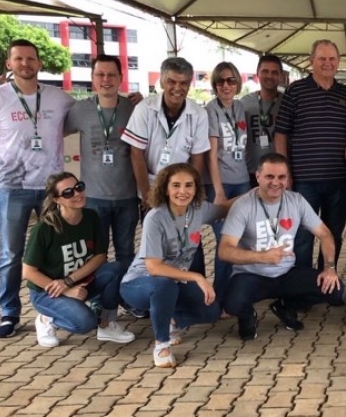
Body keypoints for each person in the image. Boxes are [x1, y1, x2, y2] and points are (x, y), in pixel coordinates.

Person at [0, 39, 76, 338]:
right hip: (12, 188)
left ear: (40, 63)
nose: (25, 64)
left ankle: (55, 309)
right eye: (19, 59)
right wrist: (2, 161)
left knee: (56, 250)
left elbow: (82, 117)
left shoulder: (58, 98)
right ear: (9, 64)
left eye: (30, 59)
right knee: (11, 253)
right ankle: (9, 313)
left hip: (52, 189)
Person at [219, 154, 344, 340]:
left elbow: (325, 234)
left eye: (281, 177)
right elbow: (224, 250)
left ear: (288, 178)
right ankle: (247, 316)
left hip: (286, 273)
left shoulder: (296, 200)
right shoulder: (243, 205)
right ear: (258, 176)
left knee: (334, 289)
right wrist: (262, 257)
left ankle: (285, 306)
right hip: (252, 275)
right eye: (269, 176)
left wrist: (330, 268)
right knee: (232, 304)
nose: (276, 182)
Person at [120, 164, 227, 367]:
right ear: (166, 188)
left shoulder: (198, 210)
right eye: (176, 185)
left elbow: (226, 208)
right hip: (139, 284)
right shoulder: (155, 217)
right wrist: (197, 277)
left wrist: (258, 192)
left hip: (174, 283)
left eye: (189, 185)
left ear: (196, 188)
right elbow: (154, 268)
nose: (183, 191)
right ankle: (161, 345)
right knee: (164, 285)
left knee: (211, 311)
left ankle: (172, 319)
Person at [275, 40, 346, 272]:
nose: (328, 63)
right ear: (311, 61)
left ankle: (327, 278)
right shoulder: (295, 91)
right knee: (302, 235)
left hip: (339, 181)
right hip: (304, 180)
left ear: (338, 62)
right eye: (322, 58)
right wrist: (284, 173)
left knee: (333, 234)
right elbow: (281, 133)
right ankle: (303, 285)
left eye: (332, 59)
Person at [22, 172, 136, 347]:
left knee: (116, 268)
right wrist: (65, 290)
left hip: (78, 283)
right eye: (68, 192)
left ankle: (106, 324)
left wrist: (69, 281)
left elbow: (100, 256)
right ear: (57, 199)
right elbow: (28, 272)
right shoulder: (44, 228)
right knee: (85, 322)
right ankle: (47, 319)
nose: (77, 194)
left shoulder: (91, 216)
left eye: (79, 187)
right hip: (47, 292)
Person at [65, 54, 138, 278]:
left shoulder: (134, 108)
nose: (106, 79)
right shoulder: (79, 109)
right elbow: (56, 135)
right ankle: (100, 295)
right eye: (100, 74)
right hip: (93, 198)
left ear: (120, 78)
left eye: (111, 75)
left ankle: (126, 293)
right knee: (96, 255)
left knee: (126, 252)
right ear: (93, 78)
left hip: (128, 197)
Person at [122, 57, 209, 205]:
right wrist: (147, 196)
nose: (177, 88)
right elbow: (136, 154)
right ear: (162, 82)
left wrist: (192, 193)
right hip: (150, 185)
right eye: (171, 82)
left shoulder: (199, 114)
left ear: (189, 85)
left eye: (183, 83)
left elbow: (197, 158)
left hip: (182, 191)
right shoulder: (144, 108)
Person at [203, 61, 252, 303]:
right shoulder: (210, 110)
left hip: (242, 181)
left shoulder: (241, 107)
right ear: (214, 84)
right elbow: (211, 155)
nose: (226, 85)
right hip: (220, 184)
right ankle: (219, 297)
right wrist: (218, 191)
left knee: (243, 240)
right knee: (226, 240)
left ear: (237, 83)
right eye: (220, 81)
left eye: (231, 80)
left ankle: (237, 293)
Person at [240, 55, 283, 186]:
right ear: (257, 73)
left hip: (278, 174)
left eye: (274, 72)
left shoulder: (287, 103)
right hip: (251, 171)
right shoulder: (244, 103)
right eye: (265, 71)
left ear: (280, 76)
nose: (269, 76)